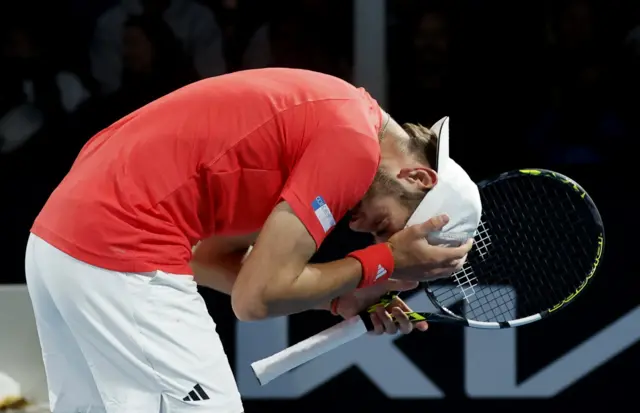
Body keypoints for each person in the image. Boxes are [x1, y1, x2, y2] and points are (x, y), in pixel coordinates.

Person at [24, 68, 478, 413]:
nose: (360, 229)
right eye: (385, 227)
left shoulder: (336, 119)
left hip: (59, 244)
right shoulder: (353, 144)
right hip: (118, 248)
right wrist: (384, 260)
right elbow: (255, 300)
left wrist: (339, 300)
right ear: (417, 176)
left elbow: (207, 258)